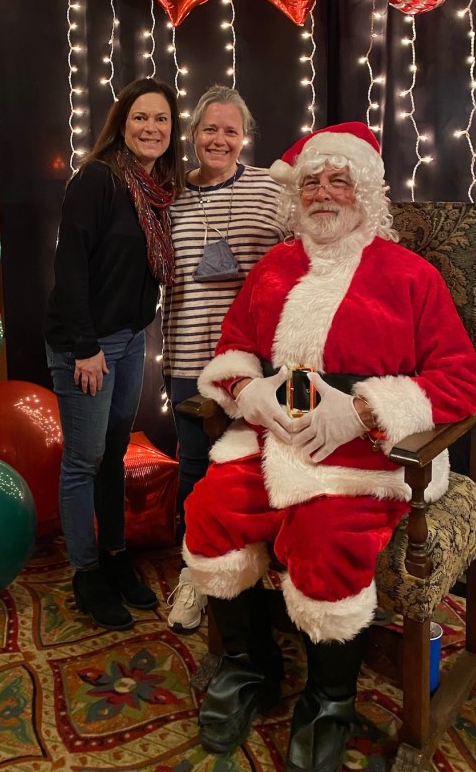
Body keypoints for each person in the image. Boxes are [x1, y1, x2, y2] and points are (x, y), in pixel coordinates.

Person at [181, 122, 476, 771]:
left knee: (325, 538)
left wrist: (366, 410)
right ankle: (250, 666)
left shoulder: (411, 276)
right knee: (210, 508)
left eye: (338, 180)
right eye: (311, 182)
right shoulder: (273, 267)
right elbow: (233, 345)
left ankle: (329, 699)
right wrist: (246, 389)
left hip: (367, 457)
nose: (322, 192)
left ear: (364, 191)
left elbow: (461, 380)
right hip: (273, 439)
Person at [44, 77, 185, 631]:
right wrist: (85, 347)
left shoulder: (157, 189)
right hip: (86, 345)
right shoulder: (98, 179)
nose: (151, 128)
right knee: (84, 461)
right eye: (140, 117)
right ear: (122, 124)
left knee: (113, 452)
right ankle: (87, 573)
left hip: (128, 340)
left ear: (172, 130)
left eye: (161, 119)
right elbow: (70, 266)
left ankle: (115, 555)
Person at [162, 85, 286, 632]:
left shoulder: (270, 190)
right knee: (194, 464)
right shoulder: (167, 195)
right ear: (193, 135)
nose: (219, 139)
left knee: (263, 467)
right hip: (189, 354)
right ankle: (194, 575)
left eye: (230, 131)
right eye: (209, 129)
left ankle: (262, 573)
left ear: (245, 137)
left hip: (260, 362)